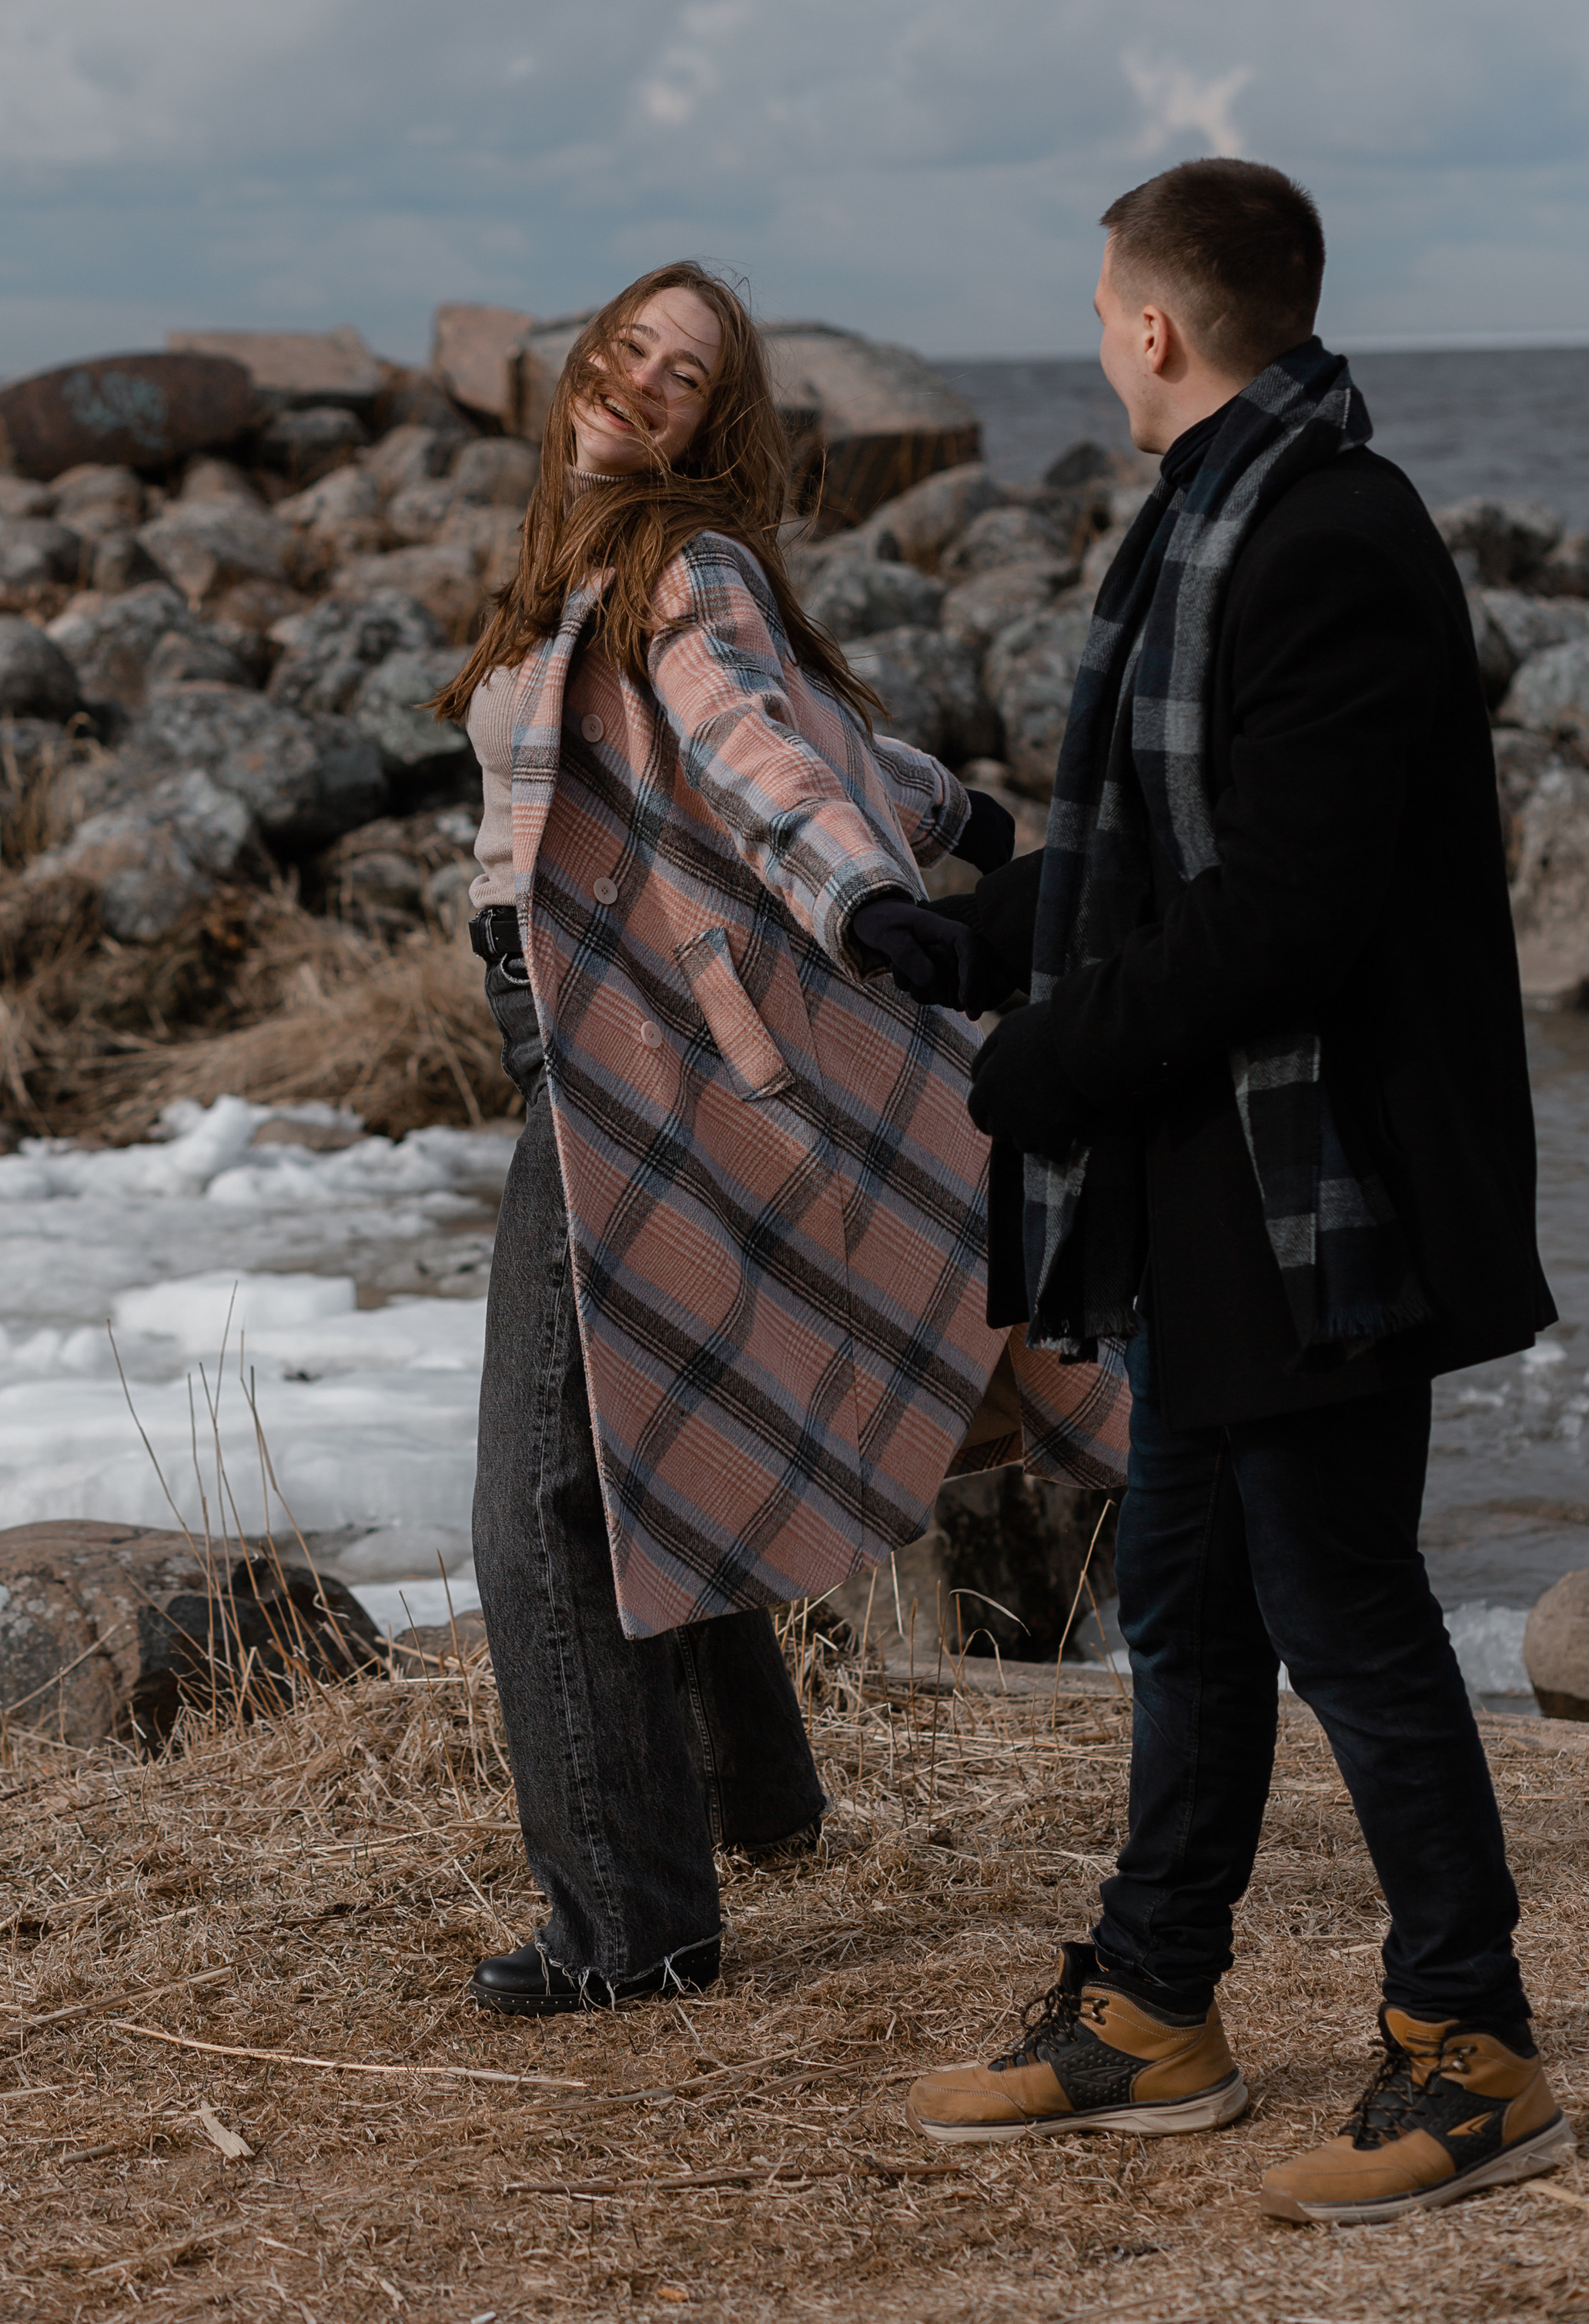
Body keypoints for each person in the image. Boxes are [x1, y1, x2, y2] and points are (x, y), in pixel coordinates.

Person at [900, 159, 1572, 2223]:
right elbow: (1173, 860)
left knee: (1348, 1612)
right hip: (1221, 1190)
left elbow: (1280, 913)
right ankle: (1155, 2012)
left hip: (1323, 1187)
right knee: (1191, 1601)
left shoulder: (1327, 538)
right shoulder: (1226, 513)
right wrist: (966, 938)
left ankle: (1475, 2048)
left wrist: (1040, 1062)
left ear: (1158, 325)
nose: (1102, 336)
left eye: (1106, 306)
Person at [434, 261, 1126, 2018]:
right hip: (591, 1061)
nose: (641, 380)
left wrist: (866, 901)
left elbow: (749, 745)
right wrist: (948, 807)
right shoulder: (581, 555)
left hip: (640, 1070)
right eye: (628, 346)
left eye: (684, 374)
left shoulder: (676, 558)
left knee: (537, 1505)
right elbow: (806, 729)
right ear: (580, 356)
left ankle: (627, 1924)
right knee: (648, 1414)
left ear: (710, 423)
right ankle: (758, 1795)